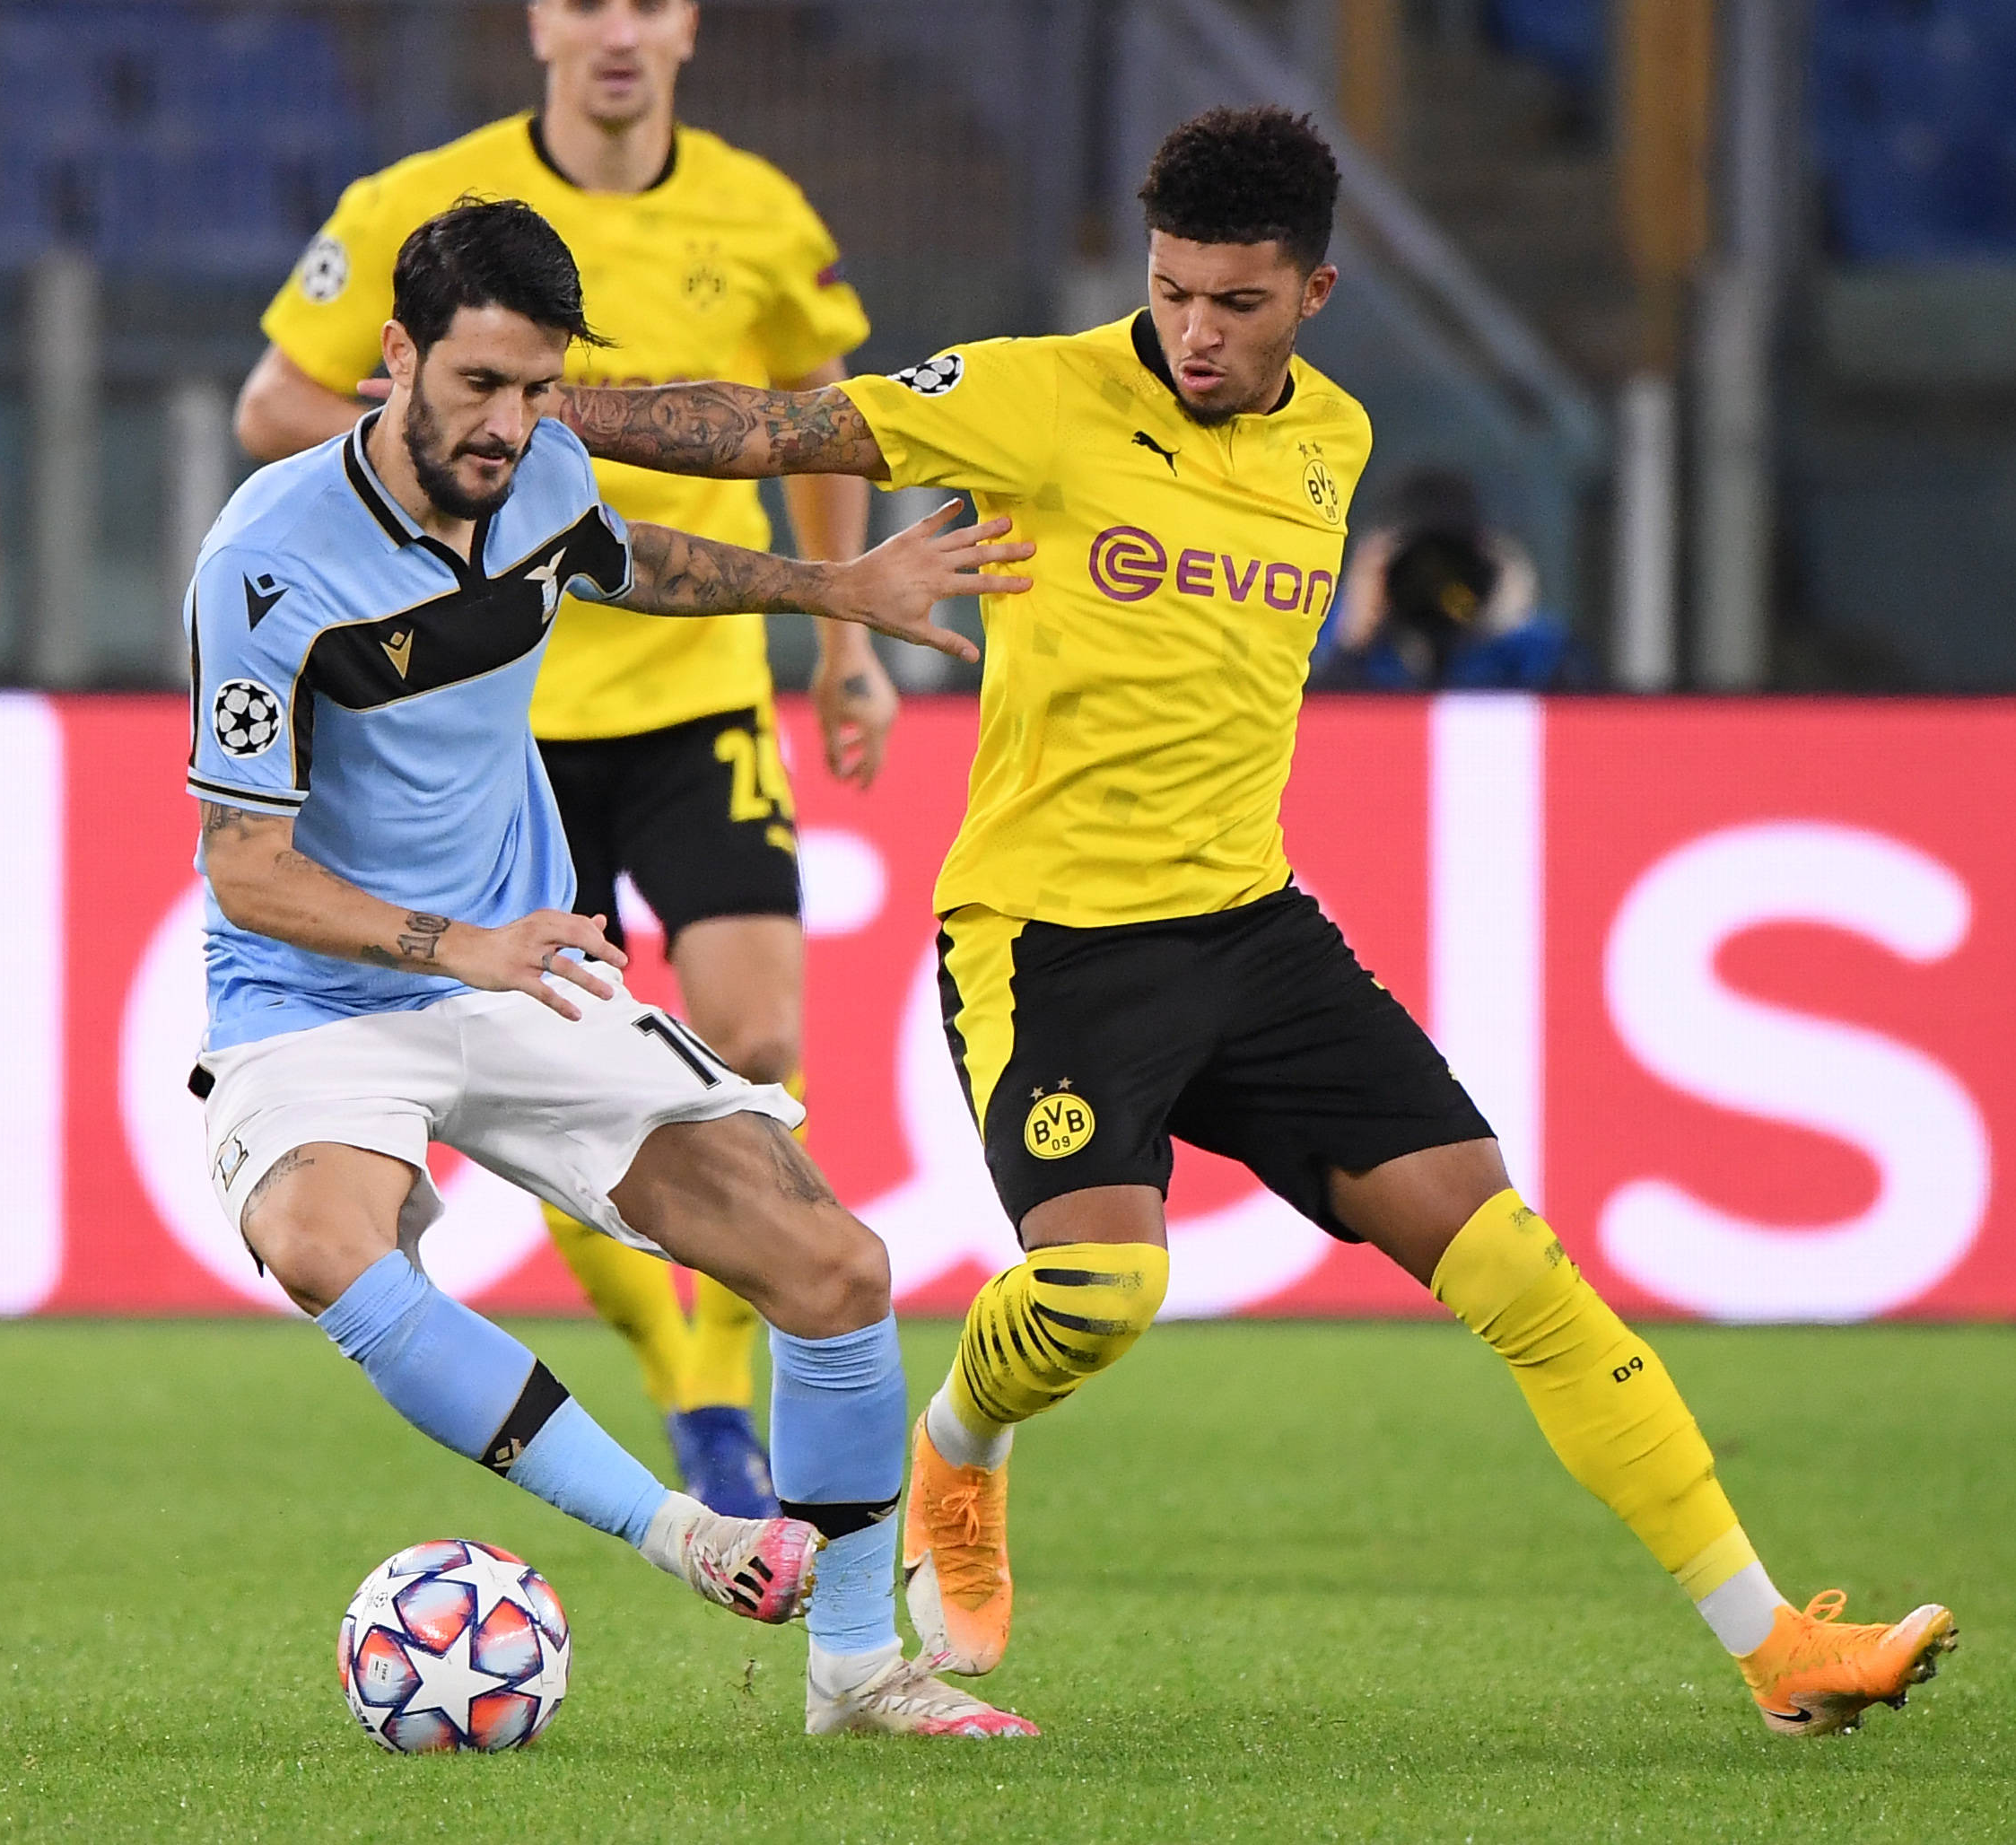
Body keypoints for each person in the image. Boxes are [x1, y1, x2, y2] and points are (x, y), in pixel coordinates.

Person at [543, 107, 1958, 1740]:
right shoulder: (1035, 393)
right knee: (1099, 1297)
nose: (1194, 332)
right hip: (1052, 943)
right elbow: (772, 427)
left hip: (1254, 931)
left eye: (1235, 302)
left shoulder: (1334, 440)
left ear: (1314, 294)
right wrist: (536, 404)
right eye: (1170, 293)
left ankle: (1775, 1647)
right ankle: (958, 1449)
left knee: (1519, 1267)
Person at [190, 199, 1036, 1738]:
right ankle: (677, 1529)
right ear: (396, 357)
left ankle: (855, 1669)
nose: (509, 426)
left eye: (537, 390)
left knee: (837, 1270)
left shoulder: (541, 472)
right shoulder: (265, 562)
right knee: (321, 1241)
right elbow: (245, 868)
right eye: (479, 386)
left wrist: (834, 593)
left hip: (522, 977)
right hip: (319, 999)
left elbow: (623, 558)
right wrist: (458, 946)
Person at [233, 0, 891, 1517]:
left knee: (755, 1036)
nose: (616, 32)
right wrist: (420, 474)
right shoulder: (418, 208)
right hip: (500, 719)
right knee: (564, 1044)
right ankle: (690, 1393)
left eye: (646, 2)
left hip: (696, 690)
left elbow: (813, 427)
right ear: (538, 21)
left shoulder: (761, 211)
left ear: (687, 27)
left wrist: (844, 640)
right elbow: (275, 402)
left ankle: (719, 1372)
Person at [1309, 467, 1595, 690]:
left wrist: (1515, 624)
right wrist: (1351, 644)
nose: (1432, 584)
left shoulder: (1527, 647)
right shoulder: (1342, 631)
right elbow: (1312, 726)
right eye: (1417, 566)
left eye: (1450, 564)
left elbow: (1583, 722)